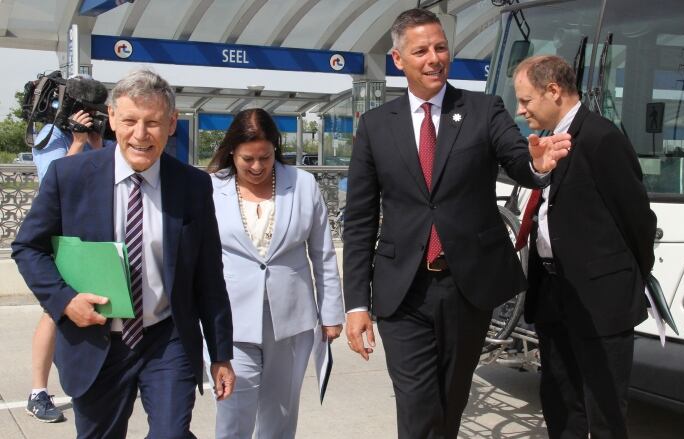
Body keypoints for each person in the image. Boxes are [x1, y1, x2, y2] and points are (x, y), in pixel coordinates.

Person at [342, 8, 571, 438]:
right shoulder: (375, 126)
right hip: (401, 291)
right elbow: (359, 219)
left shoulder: (484, 110)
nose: (434, 58)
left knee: (450, 401)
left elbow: (518, 158)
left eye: (440, 47)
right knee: (416, 403)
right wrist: (356, 303)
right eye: (421, 50)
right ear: (398, 59)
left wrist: (536, 163)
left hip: (467, 286)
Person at [12, 68, 235, 438]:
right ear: (113, 118)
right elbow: (27, 247)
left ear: (172, 123)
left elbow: (209, 276)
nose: (140, 134)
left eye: (153, 122)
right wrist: (65, 301)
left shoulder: (193, 186)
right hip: (95, 342)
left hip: (166, 340)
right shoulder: (69, 177)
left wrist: (221, 353)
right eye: (130, 120)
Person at [512, 55, 656, 438]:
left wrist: (623, 280)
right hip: (553, 294)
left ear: (554, 91)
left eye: (526, 100)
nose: (520, 109)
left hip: (600, 302)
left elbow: (638, 222)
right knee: (560, 401)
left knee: (604, 410)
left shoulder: (602, 138)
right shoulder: (544, 145)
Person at [205, 108, 344, 438]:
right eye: (247, 159)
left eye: (264, 158)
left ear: (276, 150)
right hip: (232, 321)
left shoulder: (303, 185)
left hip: (291, 321)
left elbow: (323, 255)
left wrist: (331, 314)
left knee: (280, 415)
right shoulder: (210, 188)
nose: (256, 167)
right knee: (233, 414)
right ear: (232, 153)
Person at [28, 78, 115, 423]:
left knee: (99, 304)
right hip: (60, 236)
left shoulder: (99, 135)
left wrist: (97, 140)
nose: (88, 116)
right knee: (56, 309)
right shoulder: (50, 136)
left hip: (94, 234)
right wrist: (79, 143)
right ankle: (38, 391)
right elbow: (57, 180)